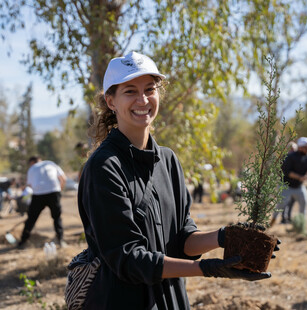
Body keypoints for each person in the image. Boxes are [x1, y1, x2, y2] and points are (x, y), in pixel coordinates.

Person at [77, 51, 276, 309]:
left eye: (150, 89)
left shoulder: (168, 160)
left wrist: (224, 237)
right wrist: (206, 269)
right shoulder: (104, 167)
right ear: (111, 101)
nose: (143, 99)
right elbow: (128, 259)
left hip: (171, 301)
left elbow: (183, 241)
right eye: (130, 91)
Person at [18, 156, 67, 248]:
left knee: (31, 219)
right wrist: (59, 191)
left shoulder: (32, 168)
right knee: (57, 217)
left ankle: (22, 241)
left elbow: (30, 186)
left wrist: (40, 201)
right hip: (54, 192)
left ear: (32, 162)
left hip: (38, 194)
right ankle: (60, 239)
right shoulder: (51, 163)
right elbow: (63, 179)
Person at [270, 137, 307, 227]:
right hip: (286, 185)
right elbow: (287, 172)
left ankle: (301, 226)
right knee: (281, 204)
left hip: (299, 186)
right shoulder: (291, 157)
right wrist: (300, 177)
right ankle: (273, 220)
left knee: (304, 203)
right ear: (300, 147)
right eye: (306, 146)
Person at [281, 141, 298, 224]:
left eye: (294, 149)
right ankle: (283, 218)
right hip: (285, 183)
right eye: (291, 149)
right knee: (285, 201)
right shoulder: (285, 158)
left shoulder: (298, 158)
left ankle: (289, 216)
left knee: (292, 201)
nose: (292, 151)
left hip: (295, 184)